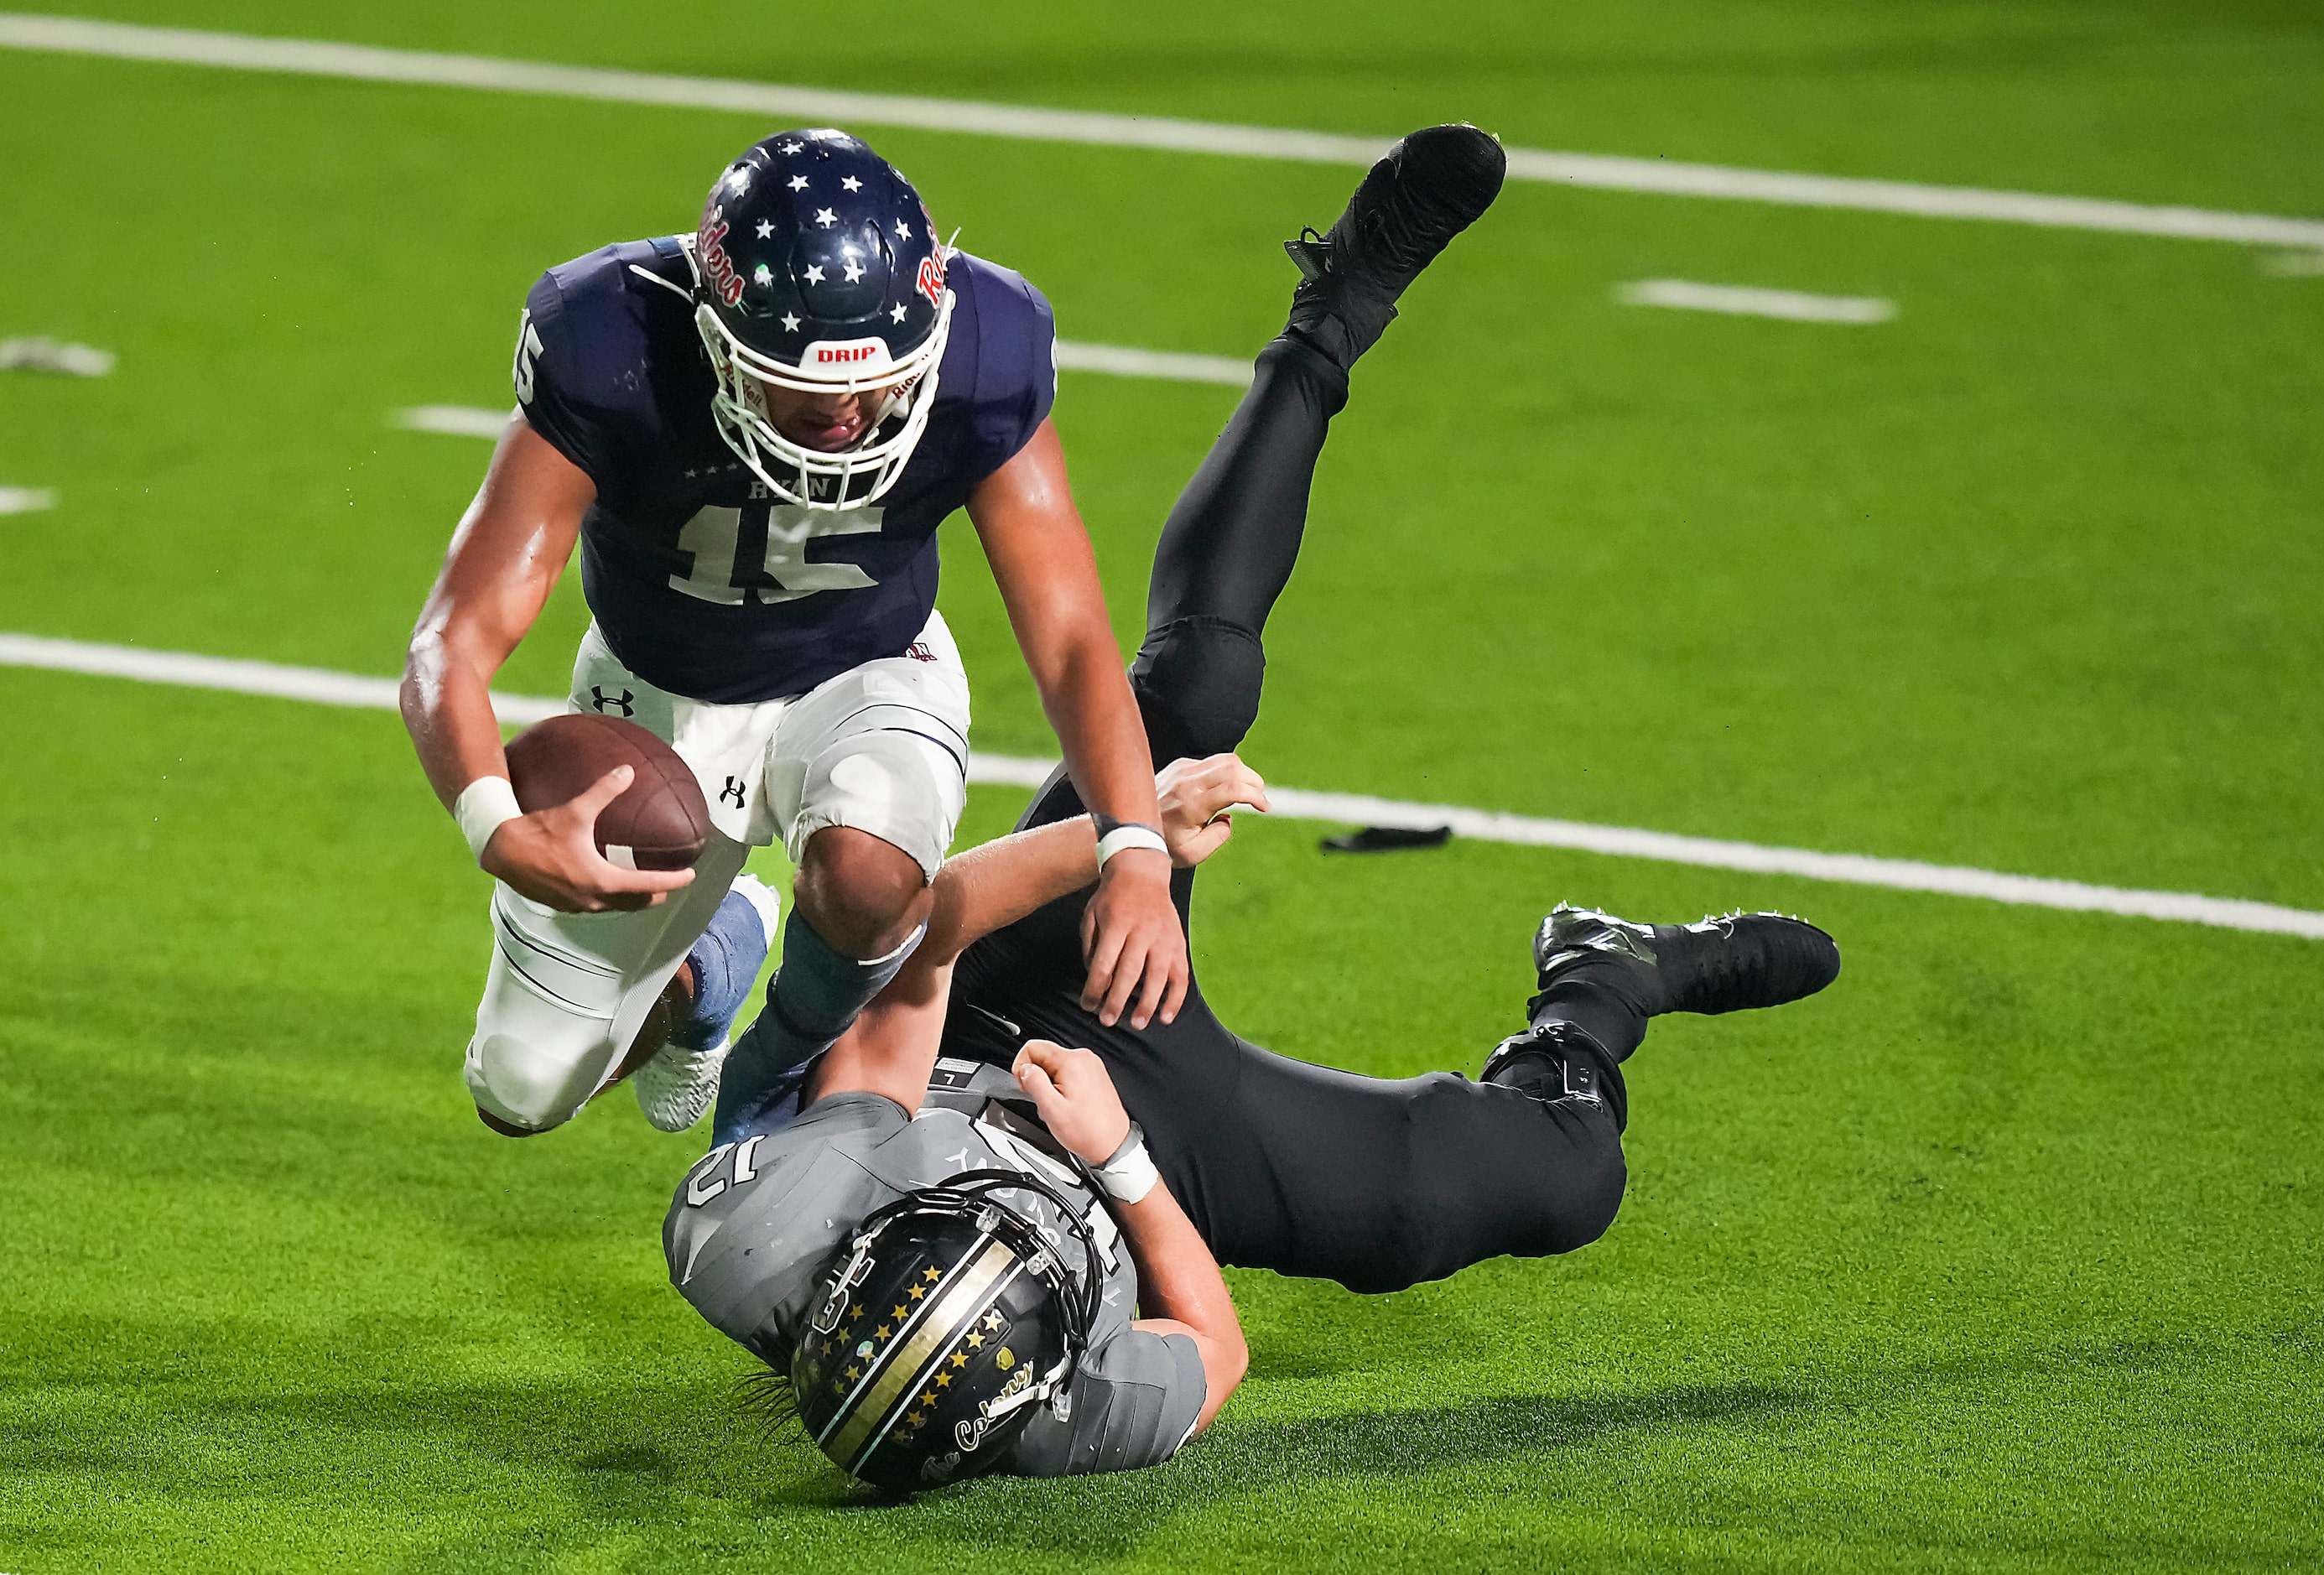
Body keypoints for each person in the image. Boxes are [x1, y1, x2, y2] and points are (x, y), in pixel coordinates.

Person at [661, 124, 1843, 1489]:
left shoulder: (780, 1227)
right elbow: (1211, 1344)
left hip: (989, 1009)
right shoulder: (1066, 1415)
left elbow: (920, 939)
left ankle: (1335, 305)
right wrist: (1117, 1166)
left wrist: (1129, 832)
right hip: (1142, 1138)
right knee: (1567, 1181)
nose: (997, 1208)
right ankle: (1601, 982)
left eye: (958, 1216)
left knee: (1199, 679)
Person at [398, 128, 1187, 1140]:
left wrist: (1135, 852)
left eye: (875, 381)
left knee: (867, 873)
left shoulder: (984, 351)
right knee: (522, 1090)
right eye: (807, 388)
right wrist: (496, 826)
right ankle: (706, 973)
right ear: (717, 338)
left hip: (867, 667)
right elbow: (450, 640)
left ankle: (773, 1087)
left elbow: (1072, 634)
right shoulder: (614, 346)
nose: (849, 415)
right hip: (659, 694)